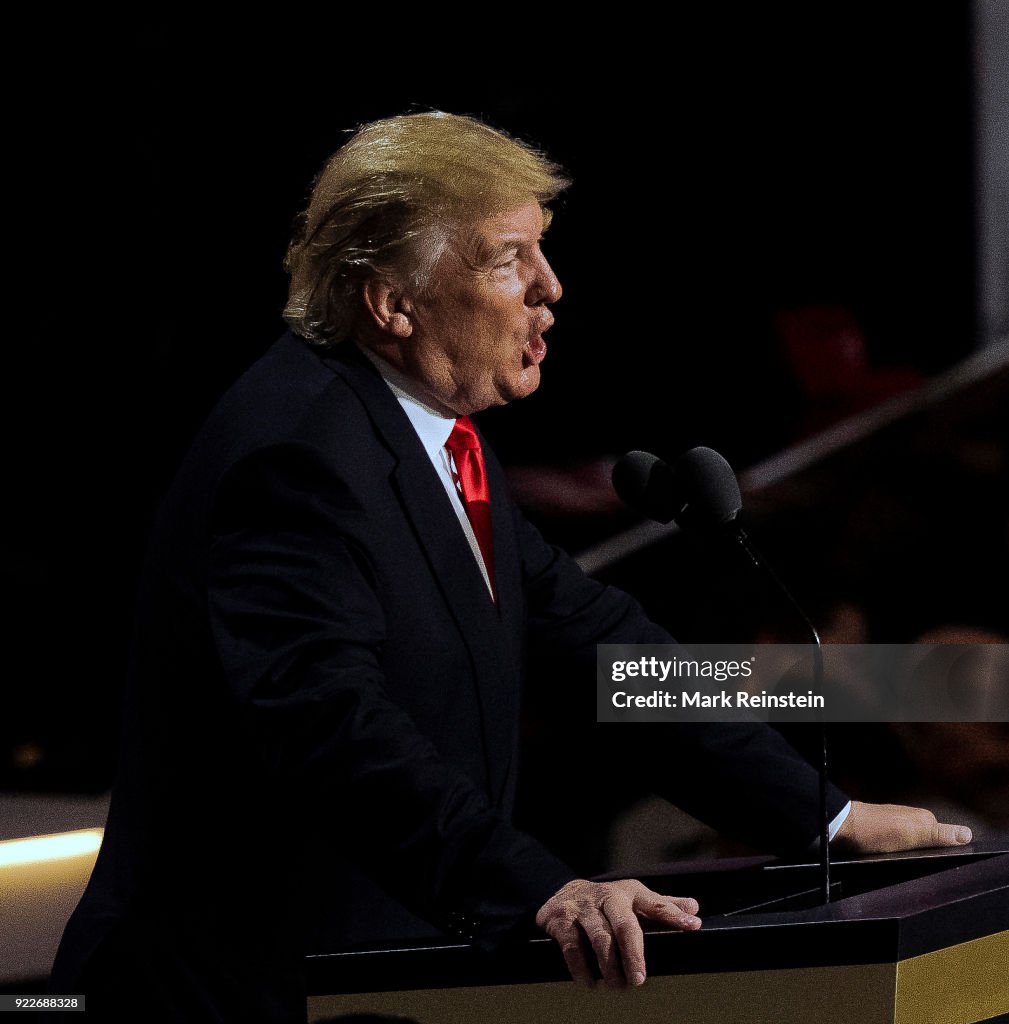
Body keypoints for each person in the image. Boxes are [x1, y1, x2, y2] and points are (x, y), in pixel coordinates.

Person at [49, 111, 971, 1022]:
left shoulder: (434, 433)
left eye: (543, 250)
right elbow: (335, 730)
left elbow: (602, 651)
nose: (550, 287)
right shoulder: (296, 455)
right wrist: (538, 888)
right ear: (389, 302)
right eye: (507, 259)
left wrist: (829, 818)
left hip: (362, 979)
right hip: (234, 994)